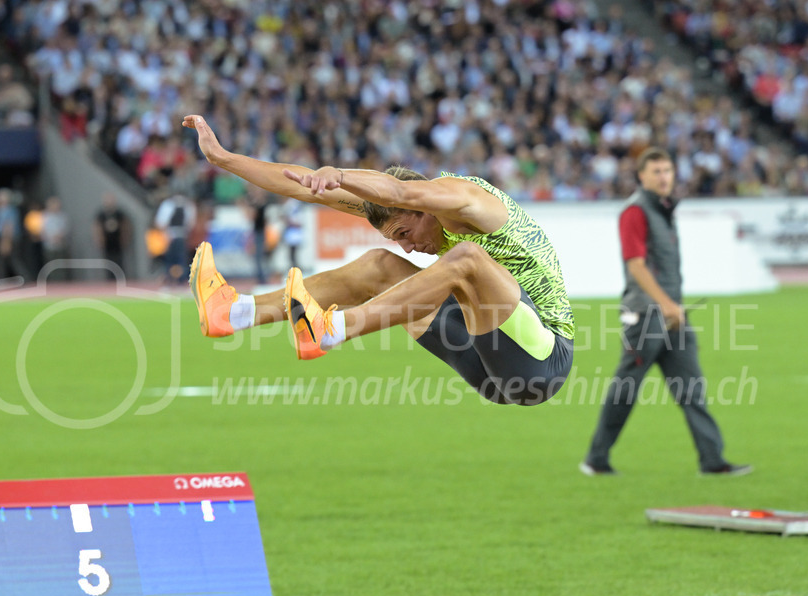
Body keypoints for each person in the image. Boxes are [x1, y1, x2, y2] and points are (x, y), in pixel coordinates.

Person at [182, 114, 574, 406]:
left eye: (405, 234)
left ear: (424, 209)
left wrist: (340, 173)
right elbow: (304, 187)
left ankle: (333, 329)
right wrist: (224, 159)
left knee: (466, 258)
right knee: (379, 266)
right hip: (485, 365)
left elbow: (400, 192)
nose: (408, 248)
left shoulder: (466, 200)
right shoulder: (410, 210)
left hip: (541, 362)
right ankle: (235, 313)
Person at [581, 147, 751, 476]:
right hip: (647, 316)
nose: (664, 177)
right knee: (626, 390)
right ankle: (596, 458)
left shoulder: (663, 210)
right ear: (641, 176)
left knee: (692, 389)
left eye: (668, 171)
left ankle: (712, 460)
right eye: (656, 171)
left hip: (672, 315)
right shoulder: (635, 212)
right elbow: (636, 265)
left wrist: (673, 307)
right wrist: (667, 303)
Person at [152, 190, 196, 285]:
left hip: (172, 235)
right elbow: (190, 223)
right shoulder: (186, 205)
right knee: (178, 260)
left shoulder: (169, 205)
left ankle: (174, 279)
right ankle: (178, 279)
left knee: (174, 260)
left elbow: (160, 222)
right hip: (176, 235)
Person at [93, 192, 132, 278]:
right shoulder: (101, 215)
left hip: (117, 243)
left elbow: (125, 226)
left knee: (119, 262)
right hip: (107, 244)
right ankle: (109, 280)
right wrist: (99, 240)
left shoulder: (119, 214)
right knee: (108, 263)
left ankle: (120, 278)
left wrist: (125, 239)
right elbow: (97, 228)